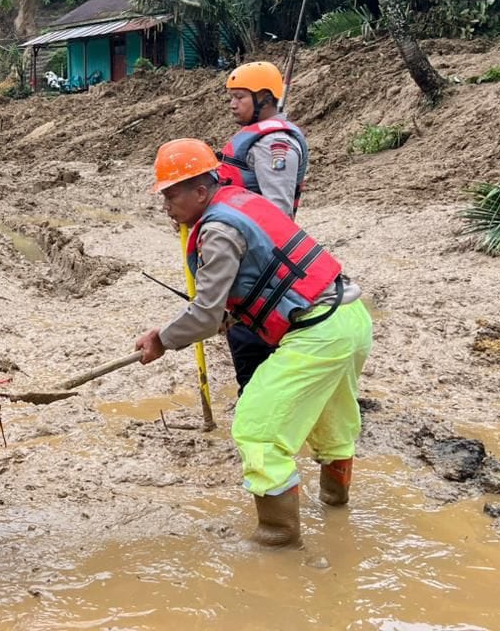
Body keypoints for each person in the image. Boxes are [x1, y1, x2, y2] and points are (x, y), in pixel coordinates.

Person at [135, 138, 372, 548]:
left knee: (256, 430)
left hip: (318, 331)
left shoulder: (219, 230)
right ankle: (336, 510)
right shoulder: (240, 203)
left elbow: (205, 315)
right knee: (332, 427)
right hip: (350, 317)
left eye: (171, 196)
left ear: (201, 191)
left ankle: (276, 542)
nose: (166, 207)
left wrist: (163, 339)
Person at [216, 60, 311, 396]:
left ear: (266, 99)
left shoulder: (275, 145)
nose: (231, 104)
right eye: (231, 96)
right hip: (245, 253)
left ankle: (260, 403)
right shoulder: (255, 140)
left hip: (261, 260)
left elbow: (278, 211)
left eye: (239, 96)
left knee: (250, 336)